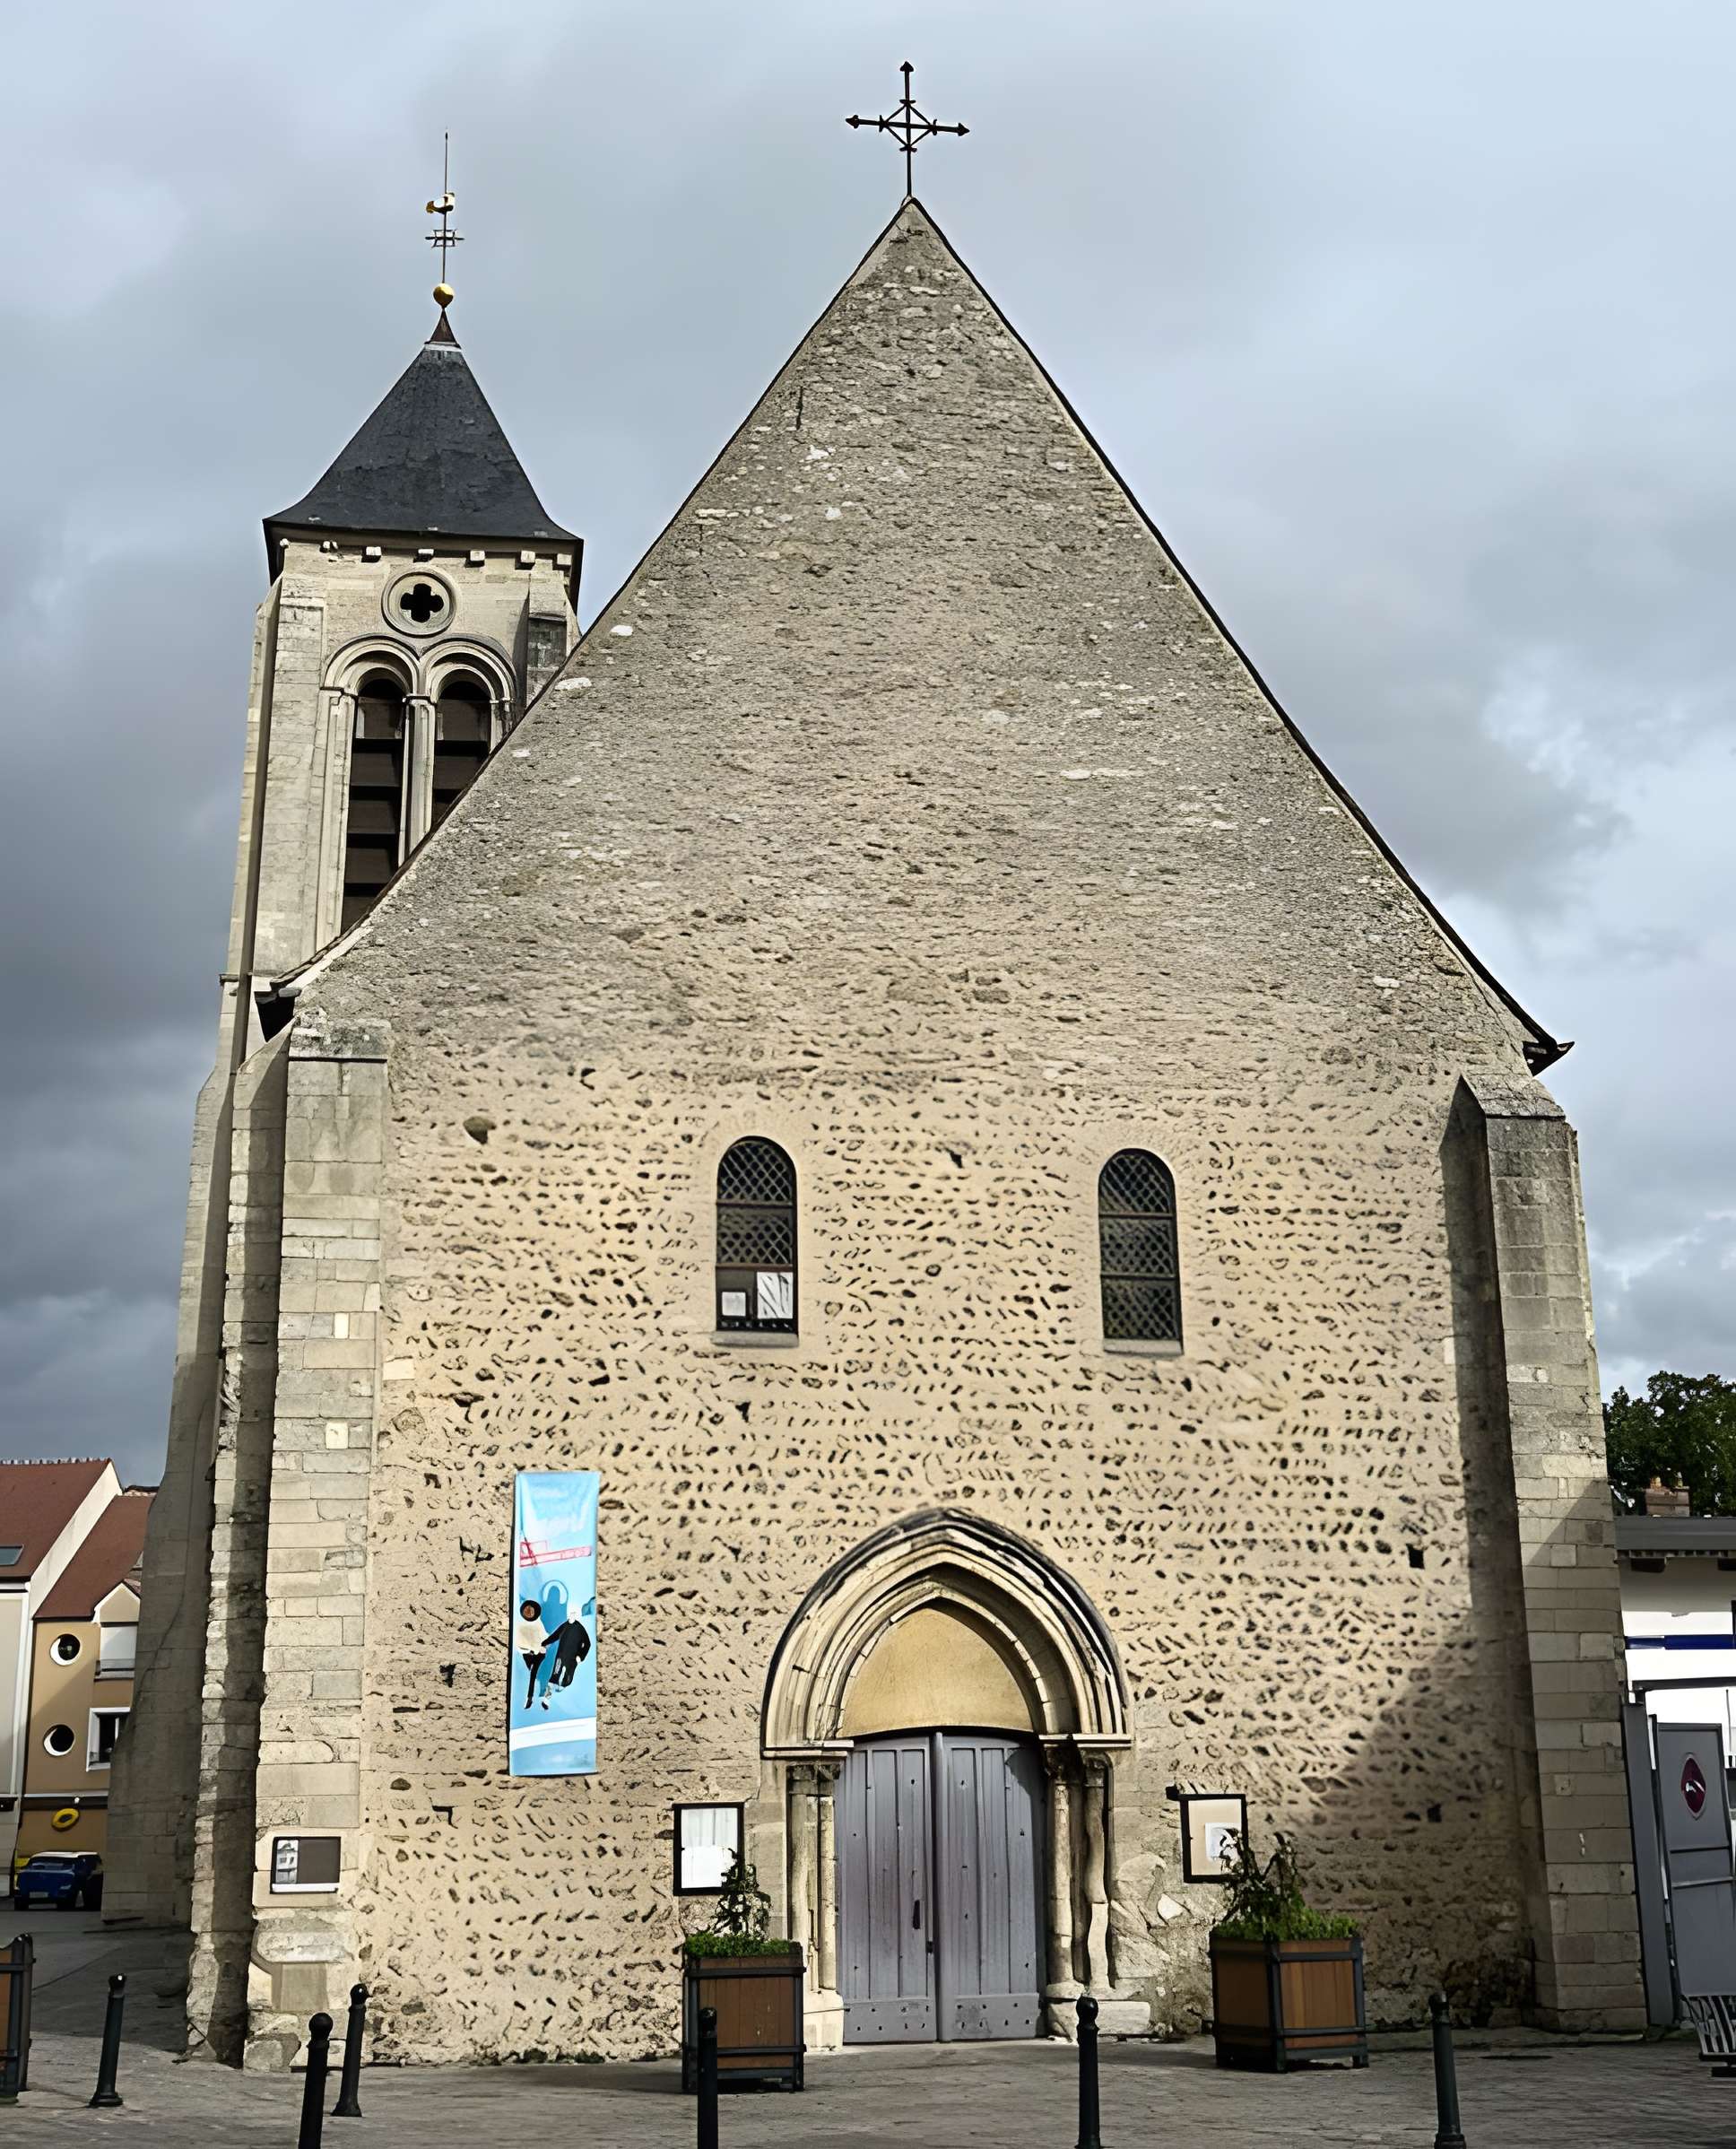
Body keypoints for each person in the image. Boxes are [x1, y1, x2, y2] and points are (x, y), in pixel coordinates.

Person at [516, 1598, 551, 1710]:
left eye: (531, 1611)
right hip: (528, 1655)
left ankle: (535, 1696)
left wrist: (545, 1646)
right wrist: (530, 1650)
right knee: (532, 1674)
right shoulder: (520, 1627)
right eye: (528, 1611)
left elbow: (544, 1636)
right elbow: (519, 1645)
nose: (530, 1613)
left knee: (537, 1673)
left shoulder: (538, 1623)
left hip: (540, 1653)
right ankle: (531, 1696)